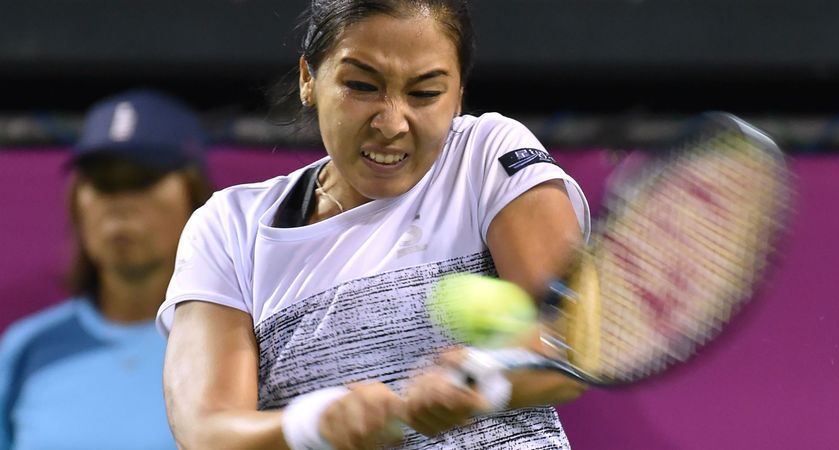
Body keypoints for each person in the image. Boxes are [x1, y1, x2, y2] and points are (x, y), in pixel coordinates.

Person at [159, 1, 592, 449]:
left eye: (425, 93)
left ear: (459, 94)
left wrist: (483, 378)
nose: (391, 124)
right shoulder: (229, 226)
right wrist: (316, 424)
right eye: (362, 86)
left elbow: (571, 343)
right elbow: (205, 429)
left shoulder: (487, 154)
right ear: (309, 79)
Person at [0, 89, 213, 450]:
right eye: (103, 181)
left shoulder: (238, 346)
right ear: (76, 203)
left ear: (194, 197)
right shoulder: (25, 350)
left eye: (143, 179)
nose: (120, 204)